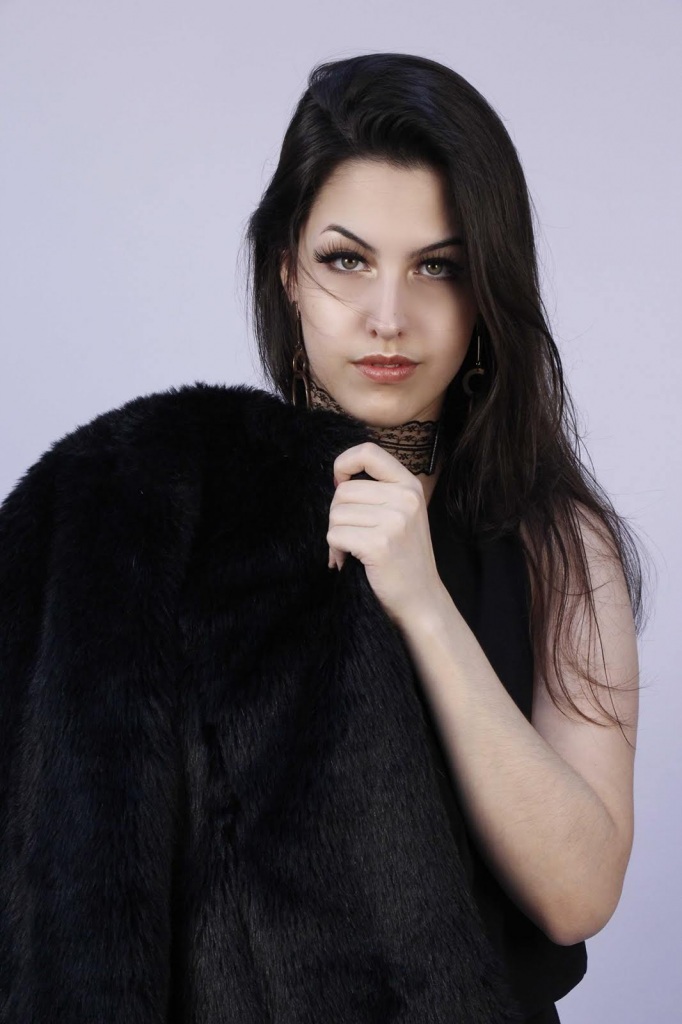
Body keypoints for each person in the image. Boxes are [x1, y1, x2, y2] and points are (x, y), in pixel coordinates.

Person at [0, 53, 645, 1023]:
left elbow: (578, 895)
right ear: (287, 272)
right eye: (347, 260)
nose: (389, 317)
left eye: (438, 267)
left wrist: (423, 603)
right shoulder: (165, 507)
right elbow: (78, 883)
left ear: (487, 291)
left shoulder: (556, 539)